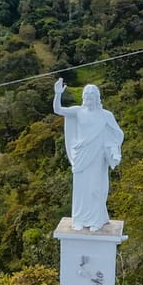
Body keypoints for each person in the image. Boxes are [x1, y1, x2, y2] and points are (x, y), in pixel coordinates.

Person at [53, 78, 123, 231]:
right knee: (81, 189)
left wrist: (114, 152)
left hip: (97, 156)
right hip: (81, 155)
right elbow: (58, 110)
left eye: (92, 97)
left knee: (95, 188)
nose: (89, 99)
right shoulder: (78, 111)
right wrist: (58, 94)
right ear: (83, 98)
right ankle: (79, 219)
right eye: (86, 97)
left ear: (97, 98)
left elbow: (114, 135)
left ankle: (97, 219)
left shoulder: (106, 115)